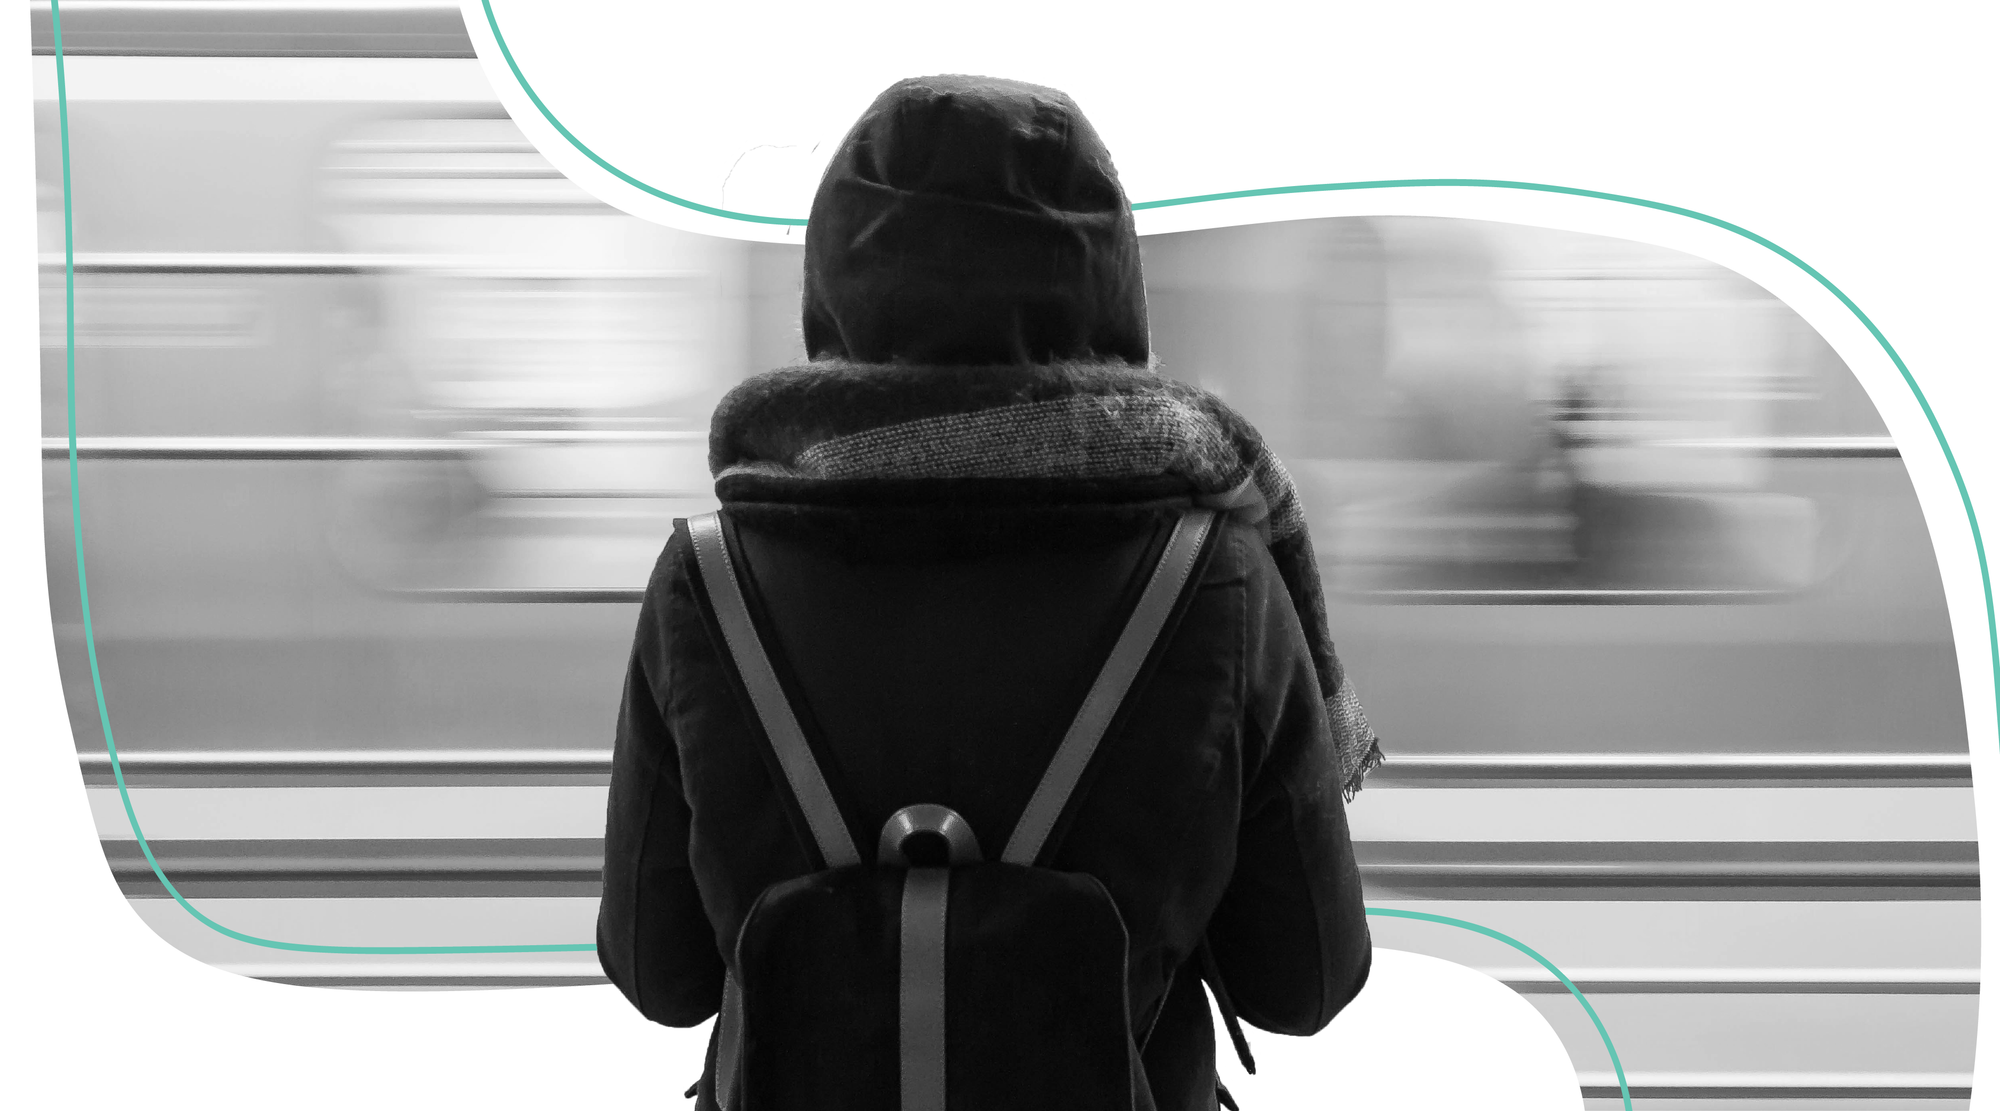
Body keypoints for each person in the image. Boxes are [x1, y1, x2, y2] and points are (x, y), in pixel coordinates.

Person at [598, 73, 1380, 1111]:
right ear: (1108, 287)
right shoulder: (1219, 575)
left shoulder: (706, 580)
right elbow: (1304, 980)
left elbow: (660, 976)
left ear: (831, 288)